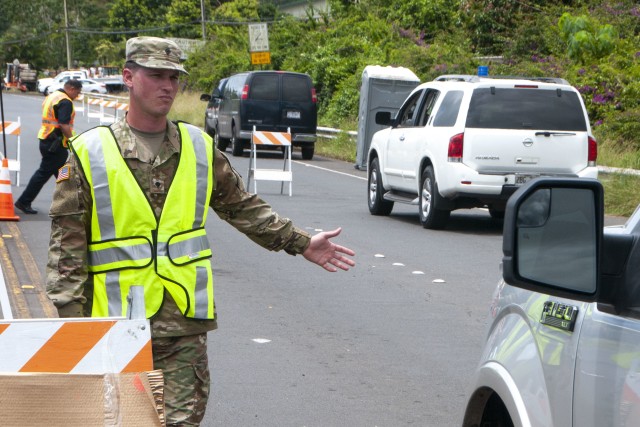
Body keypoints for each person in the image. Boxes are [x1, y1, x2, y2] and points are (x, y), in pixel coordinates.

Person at [45, 36, 355, 426]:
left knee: (182, 422)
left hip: (182, 326)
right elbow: (66, 250)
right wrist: (75, 329)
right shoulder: (89, 151)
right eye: (157, 75)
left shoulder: (199, 146)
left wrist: (301, 242)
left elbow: (242, 207)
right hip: (114, 328)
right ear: (127, 77)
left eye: (174, 78)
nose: (168, 86)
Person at [15, 78, 82, 214]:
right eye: (78, 92)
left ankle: (71, 202)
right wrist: (73, 141)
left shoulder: (52, 96)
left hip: (47, 140)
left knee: (63, 174)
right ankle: (24, 201)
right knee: (44, 174)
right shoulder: (65, 101)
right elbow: (64, 124)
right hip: (55, 144)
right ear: (72, 89)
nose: (78, 96)